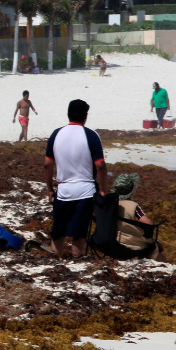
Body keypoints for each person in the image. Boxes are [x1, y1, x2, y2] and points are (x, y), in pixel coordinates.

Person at [43, 99, 110, 257]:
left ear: (68, 115)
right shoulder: (91, 135)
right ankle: (76, 262)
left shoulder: (56, 134)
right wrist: (103, 189)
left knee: (58, 231)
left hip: (64, 189)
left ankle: (57, 260)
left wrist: (50, 190)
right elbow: (100, 165)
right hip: (85, 190)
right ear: (86, 116)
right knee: (79, 233)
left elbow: (47, 164)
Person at [113, 173, 167, 262]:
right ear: (131, 190)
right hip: (130, 244)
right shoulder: (133, 206)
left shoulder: (110, 204)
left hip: (111, 242)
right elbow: (149, 224)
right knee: (157, 244)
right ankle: (165, 268)